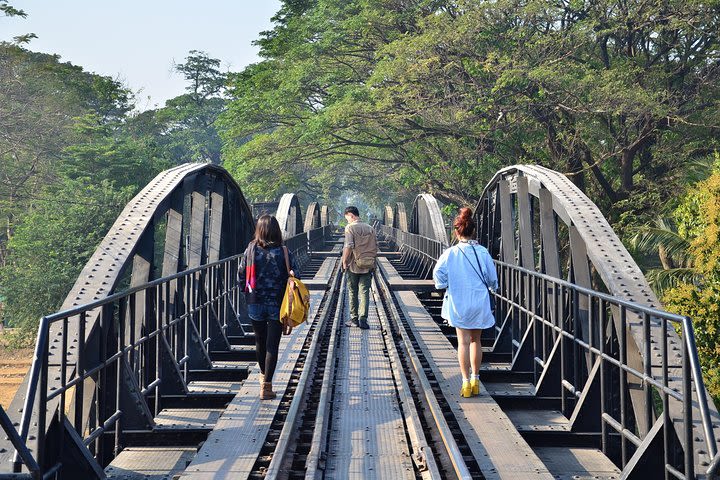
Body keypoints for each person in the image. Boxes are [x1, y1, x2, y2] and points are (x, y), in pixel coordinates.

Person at [432, 207, 498, 398]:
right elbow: (492, 278)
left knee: (463, 342)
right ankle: (476, 379)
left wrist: (444, 284)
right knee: (476, 341)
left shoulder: (450, 253)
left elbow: (438, 273)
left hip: (458, 301)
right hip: (479, 300)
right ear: (473, 231)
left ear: (456, 231)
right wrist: (494, 287)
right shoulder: (482, 252)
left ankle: (465, 383)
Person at [238, 214, 297, 400]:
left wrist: (246, 293)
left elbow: (240, 275)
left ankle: (263, 379)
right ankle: (267, 386)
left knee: (259, 342)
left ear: (259, 230)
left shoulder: (250, 249)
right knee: (272, 345)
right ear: (276, 231)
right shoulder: (284, 251)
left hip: (255, 302)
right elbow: (296, 275)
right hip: (277, 304)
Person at [342, 206, 378, 330]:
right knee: (365, 292)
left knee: (353, 291)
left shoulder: (350, 228)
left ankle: (354, 319)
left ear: (351, 215)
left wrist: (344, 261)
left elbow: (349, 245)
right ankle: (363, 319)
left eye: (347, 218)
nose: (347, 221)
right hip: (368, 265)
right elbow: (375, 246)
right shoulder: (370, 228)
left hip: (354, 264)